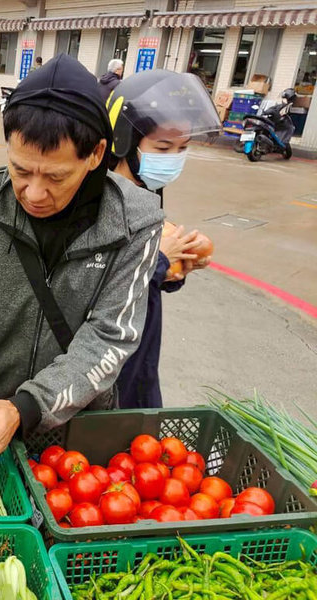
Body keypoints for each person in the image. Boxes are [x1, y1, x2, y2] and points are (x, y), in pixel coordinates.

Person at [0, 54, 164, 473]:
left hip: (78, 439)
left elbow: (110, 337)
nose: (34, 193)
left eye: (56, 177)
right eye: (20, 169)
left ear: (96, 153)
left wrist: (27, 406)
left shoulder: (136, 222)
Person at [106, 70, 222, 408]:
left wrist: (178, 267)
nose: (172, 158)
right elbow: (102, 284)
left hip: (142, 347)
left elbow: (149, 279)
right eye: (162, 147)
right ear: (125, 140)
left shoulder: (149, 193)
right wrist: (160, 261)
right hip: (111, 357)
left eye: (182, 148)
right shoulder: (105, 200)